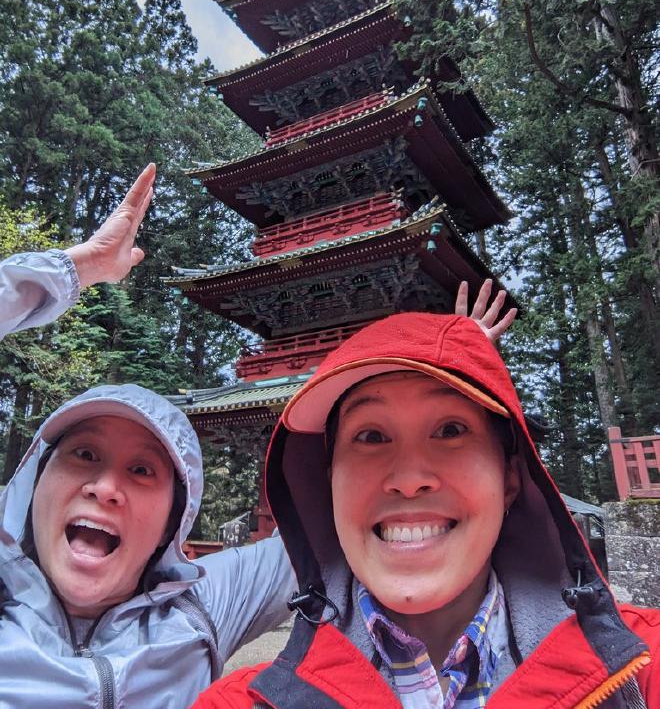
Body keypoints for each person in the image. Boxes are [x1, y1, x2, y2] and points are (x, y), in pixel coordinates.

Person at [192, 312, 658, 708]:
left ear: (511, 476)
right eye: (370, 436)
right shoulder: (241, 702)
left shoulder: (640, 668)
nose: (409, 478)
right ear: (327, 483)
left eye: (451, 429)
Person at [0, 166, 296, 709]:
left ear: (173, 518)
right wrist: (77, 267)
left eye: (142, 470)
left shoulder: (206, 605)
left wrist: (443, 380)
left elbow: (351, 525)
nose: (105, 487)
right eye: (83, 454)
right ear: (33, 481)